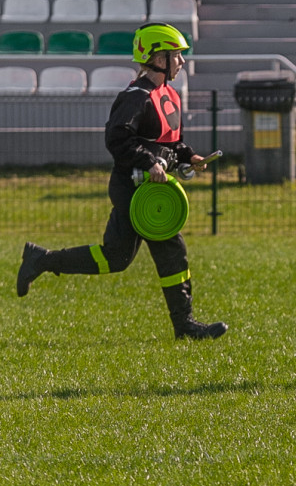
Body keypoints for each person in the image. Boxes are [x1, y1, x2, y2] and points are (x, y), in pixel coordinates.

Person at [16, 23, 227, 341]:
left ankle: (42, 259)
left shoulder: (167, 93)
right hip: (132, 187)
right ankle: (184, 326)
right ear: (157, 58)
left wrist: (189, 156)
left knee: (115, 257)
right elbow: (117, 139)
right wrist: (149, 161)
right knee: (171, 248)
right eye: (176, 55)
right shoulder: (135, 97)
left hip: (151, 188)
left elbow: (169, 141)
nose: (182, 61)